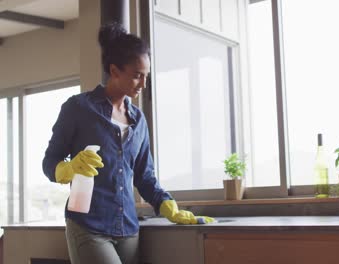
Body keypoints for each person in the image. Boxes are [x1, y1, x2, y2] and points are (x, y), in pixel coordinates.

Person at [42, 23, 214, 264]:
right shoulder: (78, 108)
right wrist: (69, 169)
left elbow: (145, 177)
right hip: (88, 226)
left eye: (146, 76)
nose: (143, 84)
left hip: (128, 230)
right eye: (137, 75)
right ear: (114, 71)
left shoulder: (138, 120)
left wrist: (168, 207)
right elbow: (49, 162)